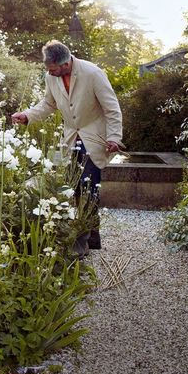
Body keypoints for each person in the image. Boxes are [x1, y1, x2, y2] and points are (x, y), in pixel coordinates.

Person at [12, 40, 124, 257]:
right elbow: (48, 104)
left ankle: (80, 245)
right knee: (71, 188)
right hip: (71, 139)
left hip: (95, 138)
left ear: (65, 64)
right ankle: (90, 236)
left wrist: (114, 138)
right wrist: (27, 116)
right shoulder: (51, 77)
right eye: (48, 69)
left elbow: (112, 108)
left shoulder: (93, 73)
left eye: (52, 69)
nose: (49, 72)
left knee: (88, 188)